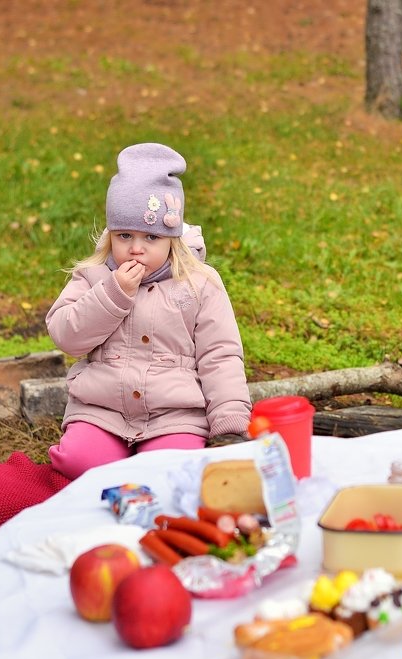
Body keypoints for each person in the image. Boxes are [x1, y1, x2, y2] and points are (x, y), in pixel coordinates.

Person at [46, 143, 251, 479]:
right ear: (111, 234)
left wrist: (229, 421)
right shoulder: (94, 275)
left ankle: (151, 464)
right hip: (103, 410)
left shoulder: (199, 283)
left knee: (170, 473)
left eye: (150, 237)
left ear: (172, 238)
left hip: (173, 415)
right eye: (124, 235)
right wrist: (113, 293)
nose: (135, 248)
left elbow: (221, 354)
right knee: (77, 462)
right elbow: (67, 335)